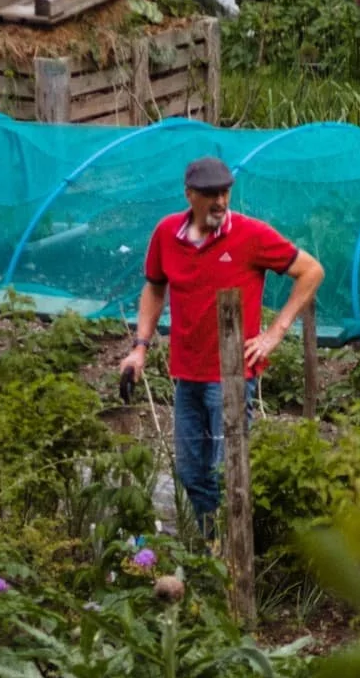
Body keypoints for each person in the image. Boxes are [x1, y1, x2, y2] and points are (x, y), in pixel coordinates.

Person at [118, 156, 325, 539]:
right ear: (190, 195)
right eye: (211, 194)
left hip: (230, 378)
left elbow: (311, 270)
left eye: (225, 192)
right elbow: (154, 285)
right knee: (191, 474)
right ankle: (212, 547)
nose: (220, 202)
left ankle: (233, 556)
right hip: (186, 374)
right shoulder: (166, 234)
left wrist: (275, 332)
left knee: (227, 472)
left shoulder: (250, 236)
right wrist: (140, 346)